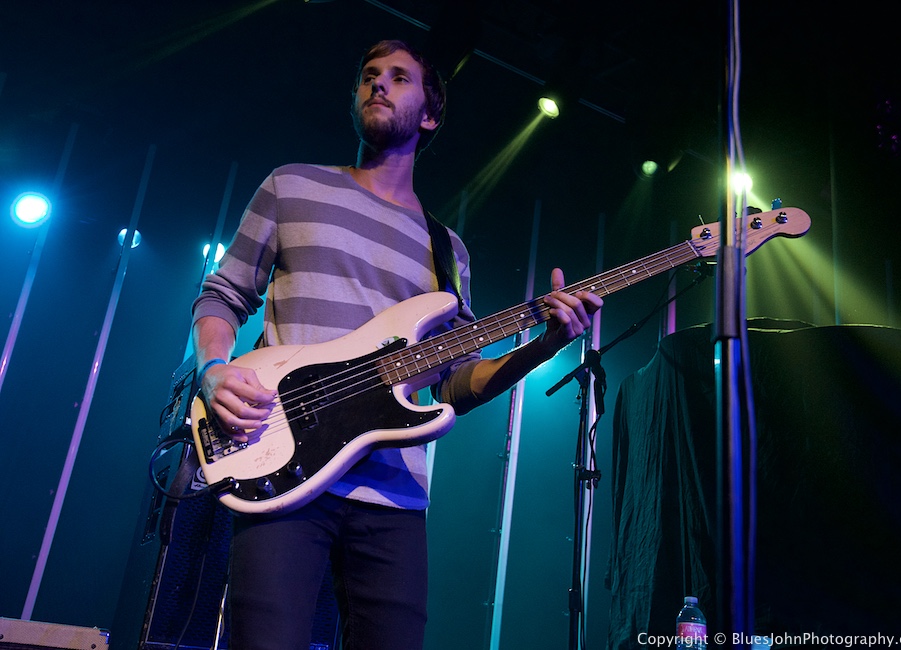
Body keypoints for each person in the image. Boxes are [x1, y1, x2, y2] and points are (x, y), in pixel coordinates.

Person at [190, 39, 602, 650]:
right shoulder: (292, 186)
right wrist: (214, 371)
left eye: (399, 77)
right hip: (279, 463)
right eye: (368, 76)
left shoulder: (448, 252)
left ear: (430, 113)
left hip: (393, 497)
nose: (378, 84)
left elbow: (456, 384)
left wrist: (543, 347)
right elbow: (223, 295)